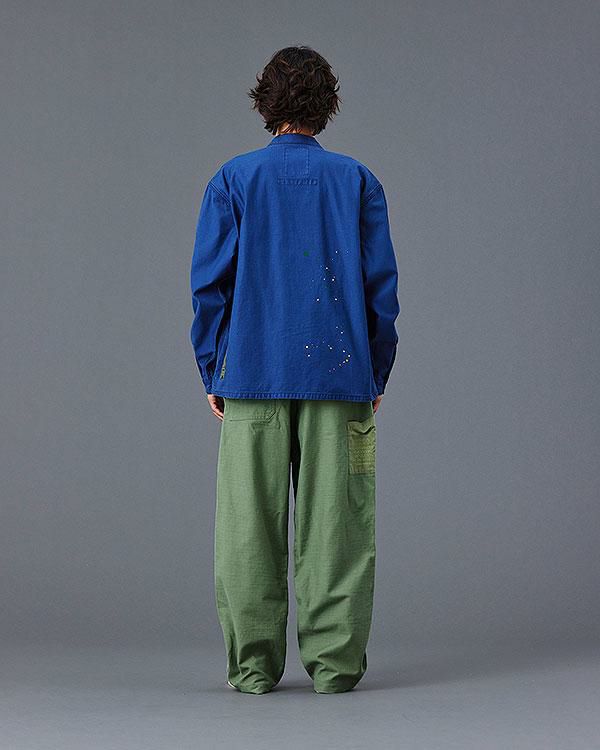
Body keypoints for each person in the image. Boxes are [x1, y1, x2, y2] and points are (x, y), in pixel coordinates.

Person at [190, 46, 400, 695]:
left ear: (266, 103)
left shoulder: (233, 179)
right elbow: (381, 290)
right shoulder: (357, 180)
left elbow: (209, 286)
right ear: (327, 105)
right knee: (338, 527)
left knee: (247, 528)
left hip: (251, 375)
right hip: (340, 377)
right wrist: (375, 373)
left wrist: (213, 369)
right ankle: (335, 669)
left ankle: (253, 668)